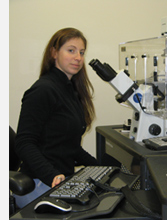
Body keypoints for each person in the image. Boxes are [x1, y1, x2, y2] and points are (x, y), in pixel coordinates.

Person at [14, 27, 119, 208]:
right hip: (40, 183)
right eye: (71, 50)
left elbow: (70, 146)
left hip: (60, 179)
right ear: (54, 53)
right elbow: (24, 142)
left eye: (81, 52)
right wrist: (52, 176)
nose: (78, 57)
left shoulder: (70, 90)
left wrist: (103, 169)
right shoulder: (43, 90)